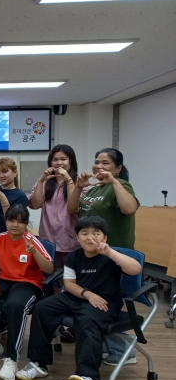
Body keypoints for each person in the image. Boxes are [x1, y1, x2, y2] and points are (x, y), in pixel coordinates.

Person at [15, 216, 143, 380]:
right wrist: (87, 294)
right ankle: (38, 363)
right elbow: (69, 284)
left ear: (105, 237)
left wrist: (109, 252)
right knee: (42, 307)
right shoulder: (74, 257)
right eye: (84, 233)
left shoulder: (112, 256)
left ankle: (88, 378)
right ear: (77, 238)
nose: (90, 237)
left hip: (105, 302)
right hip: (80, 296)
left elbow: (136, 269)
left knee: (87, 320)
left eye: (96, 233)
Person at [67, 148, 139, 365]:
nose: (98, 166)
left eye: (105, 163)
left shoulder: (121, 184)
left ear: (118, 168)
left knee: (105, 303)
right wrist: (79, 187)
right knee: (93, 305)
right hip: (93, 255)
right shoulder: (93, 188)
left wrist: (114, 182)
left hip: (113, 254)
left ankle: (122, 348)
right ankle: (111, 345)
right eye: (97, 161)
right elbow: (72, 210)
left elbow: (129, 209)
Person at [0, 204, 53, 380]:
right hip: (3, 279)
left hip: (28, 282)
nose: (15, 225)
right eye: (11, 220)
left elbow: (49, 269)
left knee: (15, 304)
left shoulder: (32, 241)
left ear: (26, 224)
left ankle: (11, 359)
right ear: (5, 221)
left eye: (20, 222)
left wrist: (34, 252)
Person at [28, 144, 80, 342]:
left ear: (71, 162)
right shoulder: (46, 182)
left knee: (73, 283)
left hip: (72, 241)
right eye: (55, 159)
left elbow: (74, 209)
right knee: (52, 283)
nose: (59, 163)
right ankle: (58, 322)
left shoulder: (78, 182)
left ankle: (73, 324)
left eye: (63, 159)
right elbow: (34, 204)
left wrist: (68, 181)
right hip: (49, 241)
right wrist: (42, 180)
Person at [0, 157, 29, 268]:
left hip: (7, 243)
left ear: (15, 173)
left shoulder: (20, 196)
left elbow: (14, 221)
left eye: (5, 171)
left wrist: (4, 201)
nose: (1, 175)